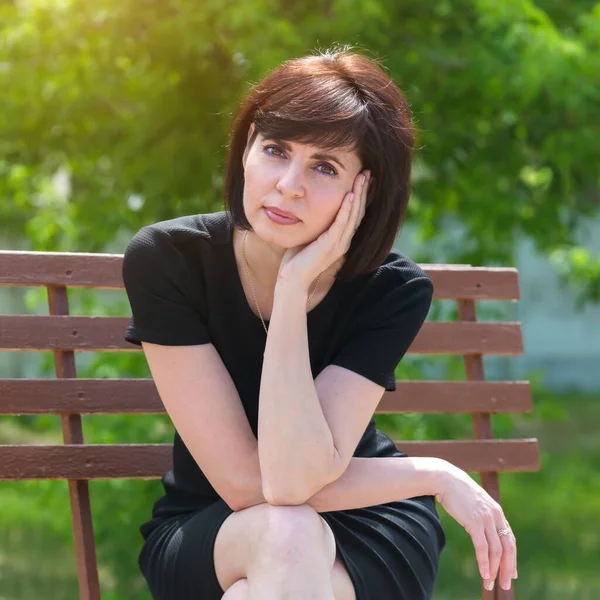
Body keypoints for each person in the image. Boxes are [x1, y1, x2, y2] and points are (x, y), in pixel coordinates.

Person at [122, 45, 517, 600]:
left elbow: (295, 479)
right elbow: (250, 486)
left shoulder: (392, 290)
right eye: (276, 150)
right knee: (288, 532)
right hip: (213, 525)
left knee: (282, 554)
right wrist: (432, 474)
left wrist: (290, 294)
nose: (288, 185)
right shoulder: (169, 259)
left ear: (366, 189)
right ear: (245, 151)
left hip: (368, 524)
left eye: (325, 167)